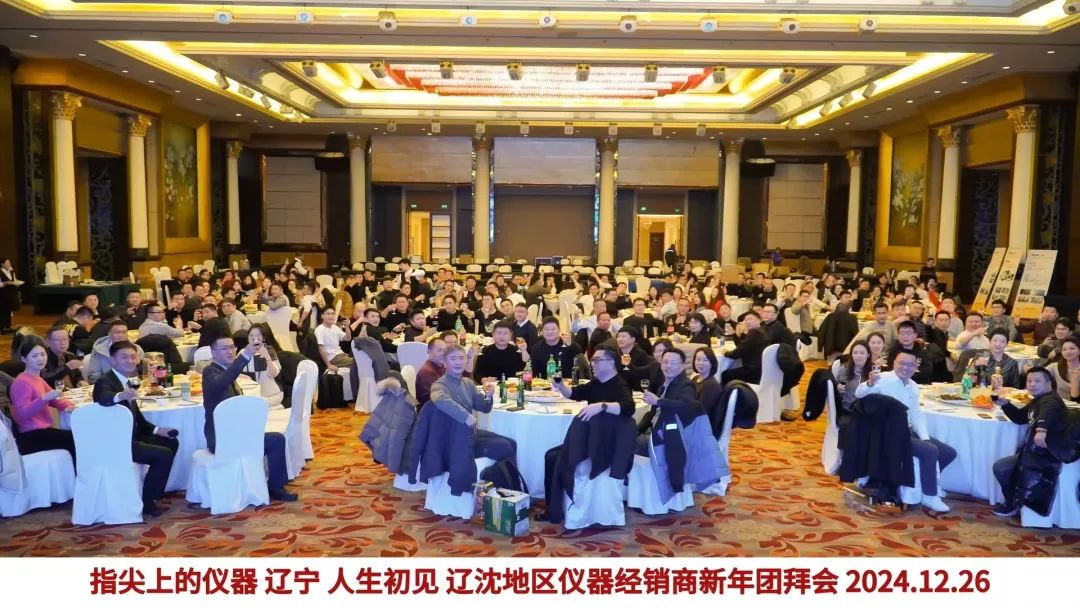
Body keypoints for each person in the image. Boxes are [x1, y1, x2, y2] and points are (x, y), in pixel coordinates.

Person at [854, 350, 956, 512]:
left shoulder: (913, 386)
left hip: (907, 431)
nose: (905, 367)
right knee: (930, 451)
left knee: (948, 453)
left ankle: (929, 484)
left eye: (910, 365)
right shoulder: (882, 379)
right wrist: (870, 383)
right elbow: (859, 394)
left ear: (916, 367)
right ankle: (930, 495)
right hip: (889, 434)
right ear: (894, 363)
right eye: (902, 363)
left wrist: (925, 438)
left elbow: (916, 414)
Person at [201, 335, 296, 502]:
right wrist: (244, 355)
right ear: (213, 352)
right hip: (222, 441)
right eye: (225, 348)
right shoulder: (210, 372)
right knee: (276, 440)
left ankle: (274, 485)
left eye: (232, 347)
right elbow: (222, 383)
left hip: (235, 435)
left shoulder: (224, 371)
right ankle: (275, 487)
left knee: (276, 438)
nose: (230, 351)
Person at [92, 340, 179, 517]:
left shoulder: (126, 381)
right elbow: (103, 398)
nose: (130, 361)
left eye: (133, 357)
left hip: (131, 437)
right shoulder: (105, 381)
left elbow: (137, 419)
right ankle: (147, 502)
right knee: (162, 454)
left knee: (171, 442)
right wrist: (120, 395)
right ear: (112, 360)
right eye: (124, 357)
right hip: (116, 442)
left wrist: (158, 430)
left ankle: (155, 495)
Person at [990, 366, 1069, 517]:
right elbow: (1021, 418)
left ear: (1049, 383)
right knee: (1003, 466)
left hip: (1047, 455)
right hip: (1033, 452)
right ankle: (1013, 501)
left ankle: (1013, 504)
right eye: (1029, 381)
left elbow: (1048, 412)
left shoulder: (1050, 400)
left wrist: (1041, 430)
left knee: (1002, 468)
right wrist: (1005, 404)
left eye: (1037, 381)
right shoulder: (1037, 400)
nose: (1032, 384)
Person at [429, 345, 517, 463]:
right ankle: (500, 474)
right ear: (445, 363)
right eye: (453, 358)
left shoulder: (467, 383)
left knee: (512, 443)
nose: (458, 362)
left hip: (468, 433)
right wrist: (466, 416)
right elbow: (439, 399)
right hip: (452, 439)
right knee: (504, 446)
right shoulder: (440, 384)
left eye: (461, 358)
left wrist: (488, 396)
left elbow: (484, 408)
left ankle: (505, 475)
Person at [8, 335, 77, 466]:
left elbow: (54, 398)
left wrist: (67, 405)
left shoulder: (38, 378)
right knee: (73, 439)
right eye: (34, 356)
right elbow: (22, 414)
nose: (40, 359)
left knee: (75, 437)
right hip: (30, 435)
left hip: (41, 431)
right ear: (24, 359)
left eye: (43, 354)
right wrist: (43, 399)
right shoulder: (22, 381)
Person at [635, 349, 700, 455]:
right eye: (665, 362)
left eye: (673, 363)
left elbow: (685, 406)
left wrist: (658, 401)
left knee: (625, 440)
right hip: (655, 430)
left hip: (669, 437)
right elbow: (652, 414)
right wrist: (637, 431)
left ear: (683, 366)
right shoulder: (664, 385)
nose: (668, 366)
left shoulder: (686, 385)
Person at [553, 343, 636, 419]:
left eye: (597, 360)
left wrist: (602, 406)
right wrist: (561, 386)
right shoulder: (596, 383)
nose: (592, 364)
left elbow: (629, 407)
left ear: (611, 363)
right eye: (592, 360)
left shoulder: (620, 385)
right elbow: (574, 393)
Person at [238, 325, 284, 408]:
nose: (254, 338)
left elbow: (274, 374)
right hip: (251, 394)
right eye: (251, 335)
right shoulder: (243, 352)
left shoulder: (269, 350)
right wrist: (244, 376)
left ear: (263, 338)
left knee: (253, 405)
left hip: (271, 395)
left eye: (258, 335)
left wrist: (267, 357)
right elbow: (235, 372)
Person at [721, 311, 767, 385]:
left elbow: (737, 353)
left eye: (750, 319)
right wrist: (734, 334)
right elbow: (743, 346)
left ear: (759, 320)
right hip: (759, 369)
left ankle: (730, 392)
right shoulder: (760, 331)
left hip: (752, 371)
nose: (747, 322)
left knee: (725, 374)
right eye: (745, 320)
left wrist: (726, 353)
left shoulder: (754, 332)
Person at [314, 307, 353, 374]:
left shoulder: (335, 327)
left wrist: (347, 326)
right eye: (328, 314)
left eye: (333, 314)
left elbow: (348, 338)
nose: (331, 316)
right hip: (332, 358)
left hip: (341, 355)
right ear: (322, 316)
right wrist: (328, 365)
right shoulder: (319, 329)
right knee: (359, 362)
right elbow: (321, 348)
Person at [415, 336, 448, 407]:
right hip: (431, 409)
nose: (443, 353)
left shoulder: (441, 366)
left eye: (445, 350)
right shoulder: (426, 372)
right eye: (439, 350)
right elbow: (436, 399)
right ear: (429, 352)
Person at [1048, 336, 1080, 402]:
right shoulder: (1055, 367)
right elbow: (1040, 373)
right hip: (1060, 404)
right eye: (1064, 349)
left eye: (1072, 348)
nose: (1068, 352)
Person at [0, 257, 23, 334]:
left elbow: (14, 280)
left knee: (9, 311)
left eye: (9, 262)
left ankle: (8, 327)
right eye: (7, 262)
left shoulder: (11, 271)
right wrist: (5, 283)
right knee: (3, 311)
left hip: (10, 294)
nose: (9, 264)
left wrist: (17, 283)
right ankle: (2, 328)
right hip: (2, 295)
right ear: (2, 264)